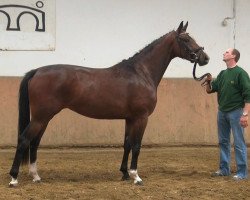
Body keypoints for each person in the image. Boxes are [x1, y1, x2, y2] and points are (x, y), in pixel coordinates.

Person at [204, 48, 250, 180]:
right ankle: (224, 169)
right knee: (223, 141)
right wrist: (208, 81)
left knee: (239, 142)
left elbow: (248, 95)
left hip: (236, 112)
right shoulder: (223, 74)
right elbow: (210, 90)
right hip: (222, 112)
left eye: (227, 52)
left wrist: (245, 114)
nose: (224, 53)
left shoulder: (241, 73)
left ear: (233, 56)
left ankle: (242, 172)